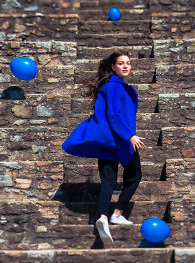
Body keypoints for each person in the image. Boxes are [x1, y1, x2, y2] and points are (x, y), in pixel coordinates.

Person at [62, 52, 145, 247]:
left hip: (107, 141)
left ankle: (103, 217)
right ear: (113, 67)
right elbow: (114, 115)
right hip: (120, 140)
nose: (125, 66)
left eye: (128, 63)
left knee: (108, 181)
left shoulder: (110, 86)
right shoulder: (115, 86)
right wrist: (129, 136)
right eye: (121, 64)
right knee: (135, 175)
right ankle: (117, 213)